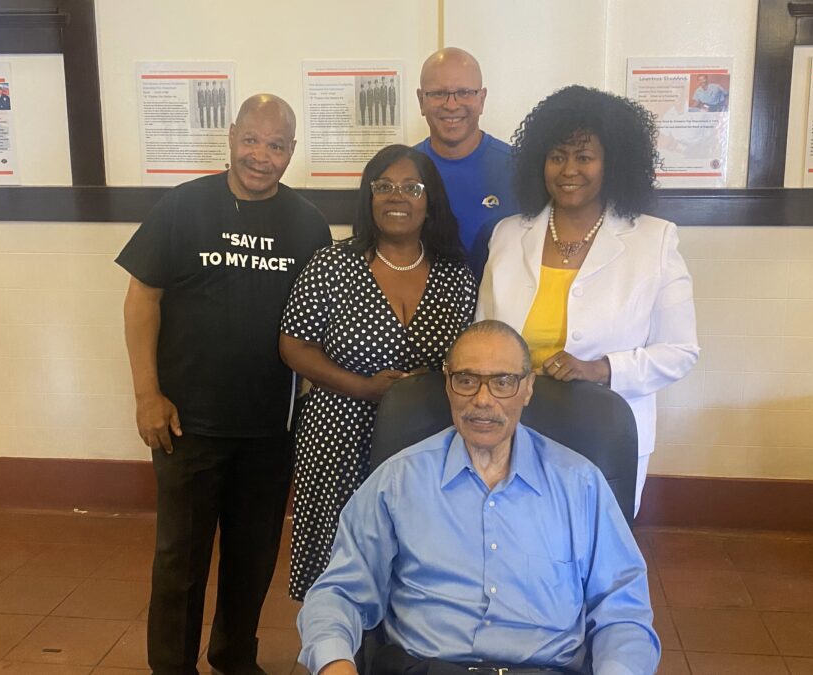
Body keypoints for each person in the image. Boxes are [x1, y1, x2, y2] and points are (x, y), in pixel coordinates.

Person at [297, 320, 659, 675]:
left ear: (528, 388)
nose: (483, 400)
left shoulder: (580, 485)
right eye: (467, 380)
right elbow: (339, 592)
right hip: (427, 667)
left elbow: (623, 613)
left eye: (503, 382)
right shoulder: (398, 480)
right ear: (449, 385)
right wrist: (335, 664)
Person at [117, 94, 332, 675]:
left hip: (271, 429)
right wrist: (146, 395)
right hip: (187, 426)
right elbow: (143, 300)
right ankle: (172, 667)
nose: (261, 156)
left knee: (252, 560)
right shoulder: (183, 207)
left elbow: (318, 323)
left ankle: (234, 657)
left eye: (277, 145)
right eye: (252, 140)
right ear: (232, 135)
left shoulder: (308, 226)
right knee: (179, 564)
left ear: (291, 151)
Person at [477, 85, 700, 515]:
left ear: (611, 162)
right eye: (557, 156)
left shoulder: (653, 240)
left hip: (604, 437)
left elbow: (680, 352)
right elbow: (482, 331)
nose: (568, 170)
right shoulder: (507, 234)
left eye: (584, 157)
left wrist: (601, 369)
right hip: (514, 430)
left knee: (592, 556)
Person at [279, 143, 477, 602]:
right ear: (368, 197)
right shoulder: (332, 264)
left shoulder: (455, 275)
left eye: (411, 187)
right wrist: (365, 388)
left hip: (425, 440)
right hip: (338, 435)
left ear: (430, 203)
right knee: (339, 555)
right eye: (383, 186)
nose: (396, 196)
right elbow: (292, 345)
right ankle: (337, 655)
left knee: (417, 555)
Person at [414, 47, 519, 278]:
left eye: (464, 92)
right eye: (438, 93)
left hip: (497, 311)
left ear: (481, 99)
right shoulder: (403, 174)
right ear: (421, 100)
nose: (451, 105)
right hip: (419, 312)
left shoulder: (519, 170)